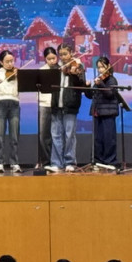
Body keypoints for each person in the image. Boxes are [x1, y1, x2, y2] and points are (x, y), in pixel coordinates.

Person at [46, 43, 85, 173]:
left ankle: (70, 162)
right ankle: (56, 163)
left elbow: (82, 85)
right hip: (56, 105)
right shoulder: (55, 68)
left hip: (71, 105)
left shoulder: (78, 66)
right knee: (56, 135)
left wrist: (75, 74)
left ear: (71, 53)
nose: (63, 57)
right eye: (61, 54)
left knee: (69, 135)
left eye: (65, 54)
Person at [0, 50, 22, 173]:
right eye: (7, 61)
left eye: (12, 61)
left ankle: (14, 163)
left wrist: (20, 76)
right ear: (1, 62)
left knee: (14, 136)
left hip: (14, 103)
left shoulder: (17, 72)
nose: (10, 64)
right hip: (0, 104)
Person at [86, 56, 120, 168]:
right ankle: (98, 160)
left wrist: (100, 84)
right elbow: (91, 95)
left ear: (108, 66)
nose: (100, 69)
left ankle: (110, 161)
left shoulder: (112, 80)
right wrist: (87, 87)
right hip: (98, 111)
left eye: (102, 67)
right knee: (98, 138)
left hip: (108, 112)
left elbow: (110, 94)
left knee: (109, 138)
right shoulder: (99, 79)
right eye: (99, 67)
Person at [37, 46, 59, 169]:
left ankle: (57, 161)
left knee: (57, 134)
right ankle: (46, 162)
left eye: (53, 58)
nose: (52, 61)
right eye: (49, 59)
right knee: (44, 135)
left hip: (58, 105)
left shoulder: (61, 70)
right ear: (45, 59)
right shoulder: (41, 71)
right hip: (44, 104)